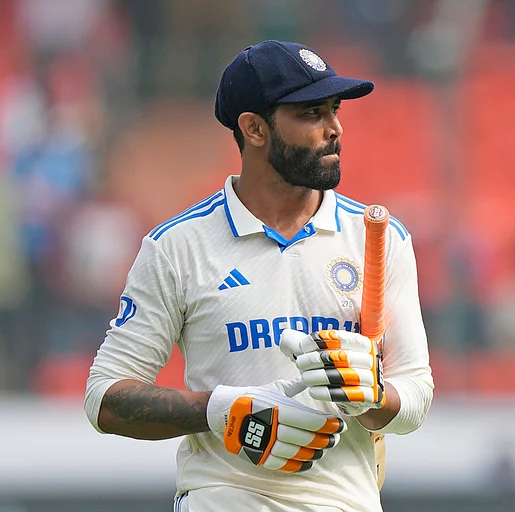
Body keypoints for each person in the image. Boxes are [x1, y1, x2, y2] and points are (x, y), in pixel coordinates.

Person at [84, 40, 434, 512]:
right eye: (311, 113)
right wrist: (223, 411)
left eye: (334, 110)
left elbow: (415, 397)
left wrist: (371, 396)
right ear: (253, 128)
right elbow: (105, 399)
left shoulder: (380, 237)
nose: (335, 128)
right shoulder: (177, 246)